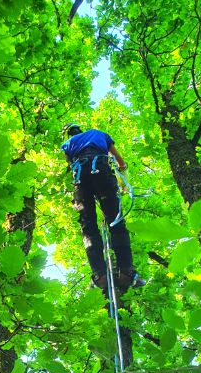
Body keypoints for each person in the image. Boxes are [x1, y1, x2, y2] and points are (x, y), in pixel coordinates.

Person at [60, 124, 144, 292]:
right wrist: (123, 177)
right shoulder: (98, 134)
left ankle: (100, 275)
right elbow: (119, 160)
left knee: (88, 226)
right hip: (101, 171)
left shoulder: (68, 144)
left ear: (70, 133)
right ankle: (126, 271)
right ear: (81, 130)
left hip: (80, 181)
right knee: (116, 220)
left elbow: (70, 164)